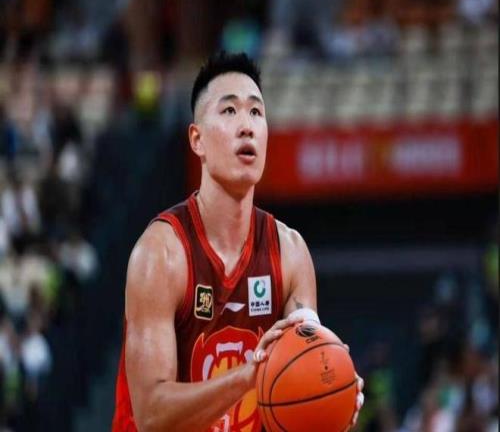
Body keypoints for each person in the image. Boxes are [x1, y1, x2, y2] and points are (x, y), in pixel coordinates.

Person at [112, 51, 364, 432]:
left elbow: (307, 361)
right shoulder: (161, 253)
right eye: (229, 111)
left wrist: (332, 390)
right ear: (197, 139)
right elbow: (151, 414)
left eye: (256, 112)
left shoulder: (290, 252)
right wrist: (249, 376)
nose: (246, 126)